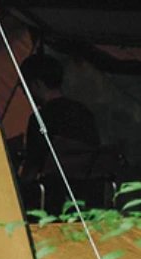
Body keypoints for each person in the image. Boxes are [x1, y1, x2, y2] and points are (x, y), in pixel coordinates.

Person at [18, 53, 100, 183]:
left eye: (24, 87)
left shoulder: (40, 120)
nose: (24, 94)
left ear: (36, 84)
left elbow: (31, 170)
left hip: (52, 195)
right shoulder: (85, 113)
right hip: (88, 191)